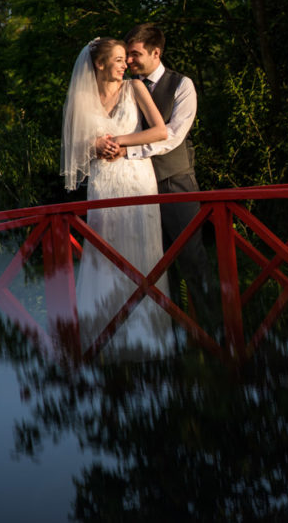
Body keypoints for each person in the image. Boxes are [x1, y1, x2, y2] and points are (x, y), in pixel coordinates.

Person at [60, 36, 172, 357]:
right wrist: (95, 146)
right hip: (103, 182)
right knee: (105, 249)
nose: (127, 64)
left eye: (127, 58)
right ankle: (104, 334)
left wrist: (119, 141)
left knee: (142, 249)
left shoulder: (135, 89)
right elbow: (73, 144)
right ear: (99, 63)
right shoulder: (81, 96)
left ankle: (148, 336)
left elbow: (160, 131)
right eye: (120, 59)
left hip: (137, 179)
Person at [101, 23, 218, 315]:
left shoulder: (183, 85)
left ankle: (218, 330)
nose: (129, 61)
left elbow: (174, 135)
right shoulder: (126, 88)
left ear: (156, 52)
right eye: (126, 55)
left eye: (135, 54)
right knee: (155, 266)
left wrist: (127, 151)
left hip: (175, 182)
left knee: (192, 259)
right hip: (138, 187)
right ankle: (174, 334)